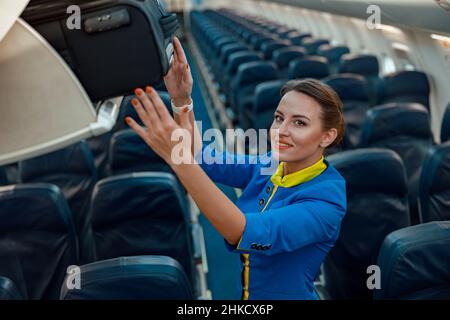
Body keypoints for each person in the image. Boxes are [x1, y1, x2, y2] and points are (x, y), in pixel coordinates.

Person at [125, 37, 347, 300]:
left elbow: (240, 230)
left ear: (327, 137)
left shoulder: (327, 200)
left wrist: (179, 160)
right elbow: (205, 159)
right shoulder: (271, 165)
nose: (281, 131)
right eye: (278, 118)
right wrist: (182, 100)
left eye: (299, 123)